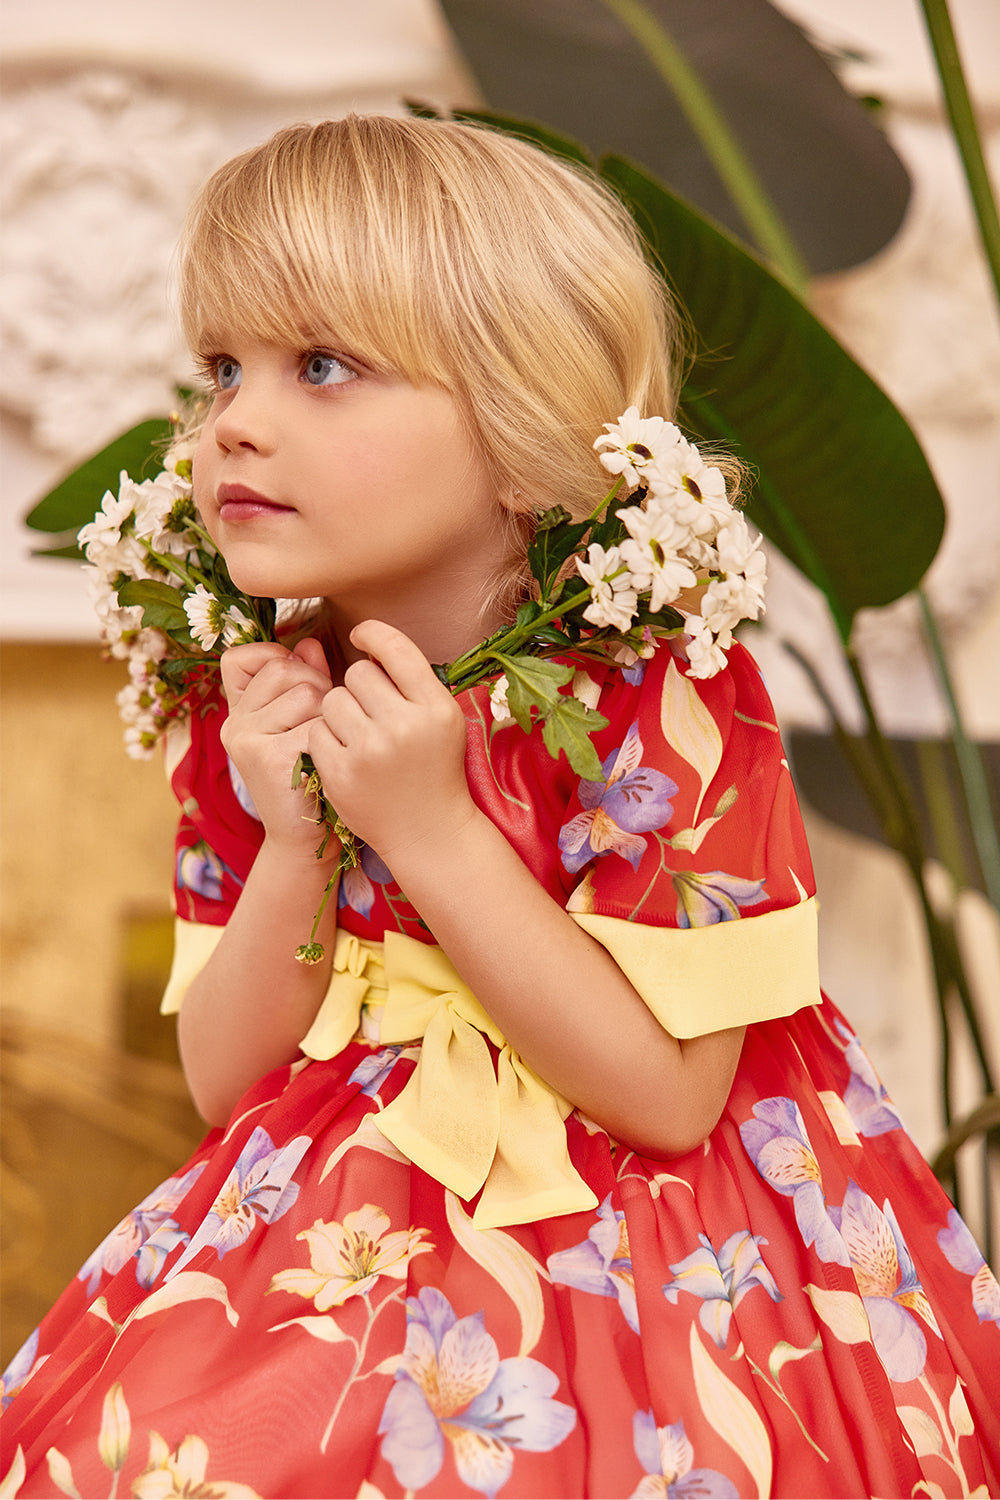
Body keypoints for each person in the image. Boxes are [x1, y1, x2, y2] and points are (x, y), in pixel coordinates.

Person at [1, 114, 997, 1500]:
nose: (233, 422)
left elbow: (667, 1098)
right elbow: (229, 1089)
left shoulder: (653, 694)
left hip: (669, 1252)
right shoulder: (260, 694)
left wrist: (428, 827)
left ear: (524, 432)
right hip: (341, 1231)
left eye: (324, 366)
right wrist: (294, 837)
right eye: (222, 367)